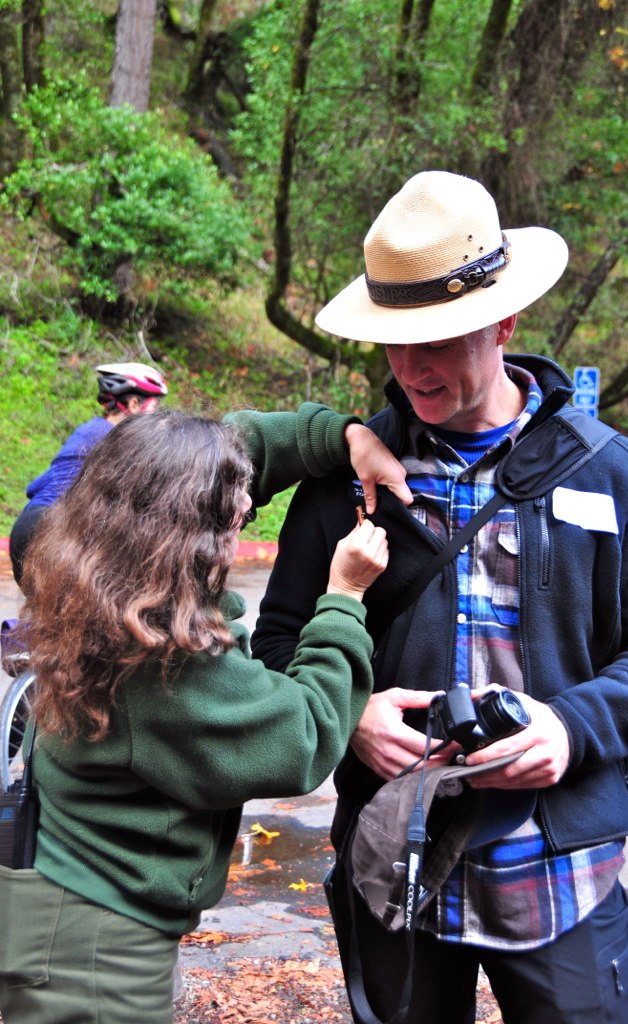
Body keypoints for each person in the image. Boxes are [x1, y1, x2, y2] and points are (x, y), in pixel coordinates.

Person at [250, 171, 628, 1024]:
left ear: (505, 324)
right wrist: (350, 713)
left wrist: (572, 726)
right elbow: (276, 649)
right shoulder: (346, 483)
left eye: (440, 340)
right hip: (396, 866)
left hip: (560, 873)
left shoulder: (607, 470)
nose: (410, 368)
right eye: (394, 342)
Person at [0, 403, 412, 1024]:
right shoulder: (167, 664)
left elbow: (200, 457)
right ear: (184, 532)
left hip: (47, 887)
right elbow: (305, 733)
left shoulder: (68, 555)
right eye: (235, 504)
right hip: (95, 946)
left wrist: (343, 435)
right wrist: (344, 597)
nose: (249, 507)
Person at [8, 361, 168, 586]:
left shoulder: (88, 430)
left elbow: (35, 486)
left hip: (27, 526)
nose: (157, 415)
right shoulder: (121, 440)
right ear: (133, 403)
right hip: (54, 534)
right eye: (155, 406)